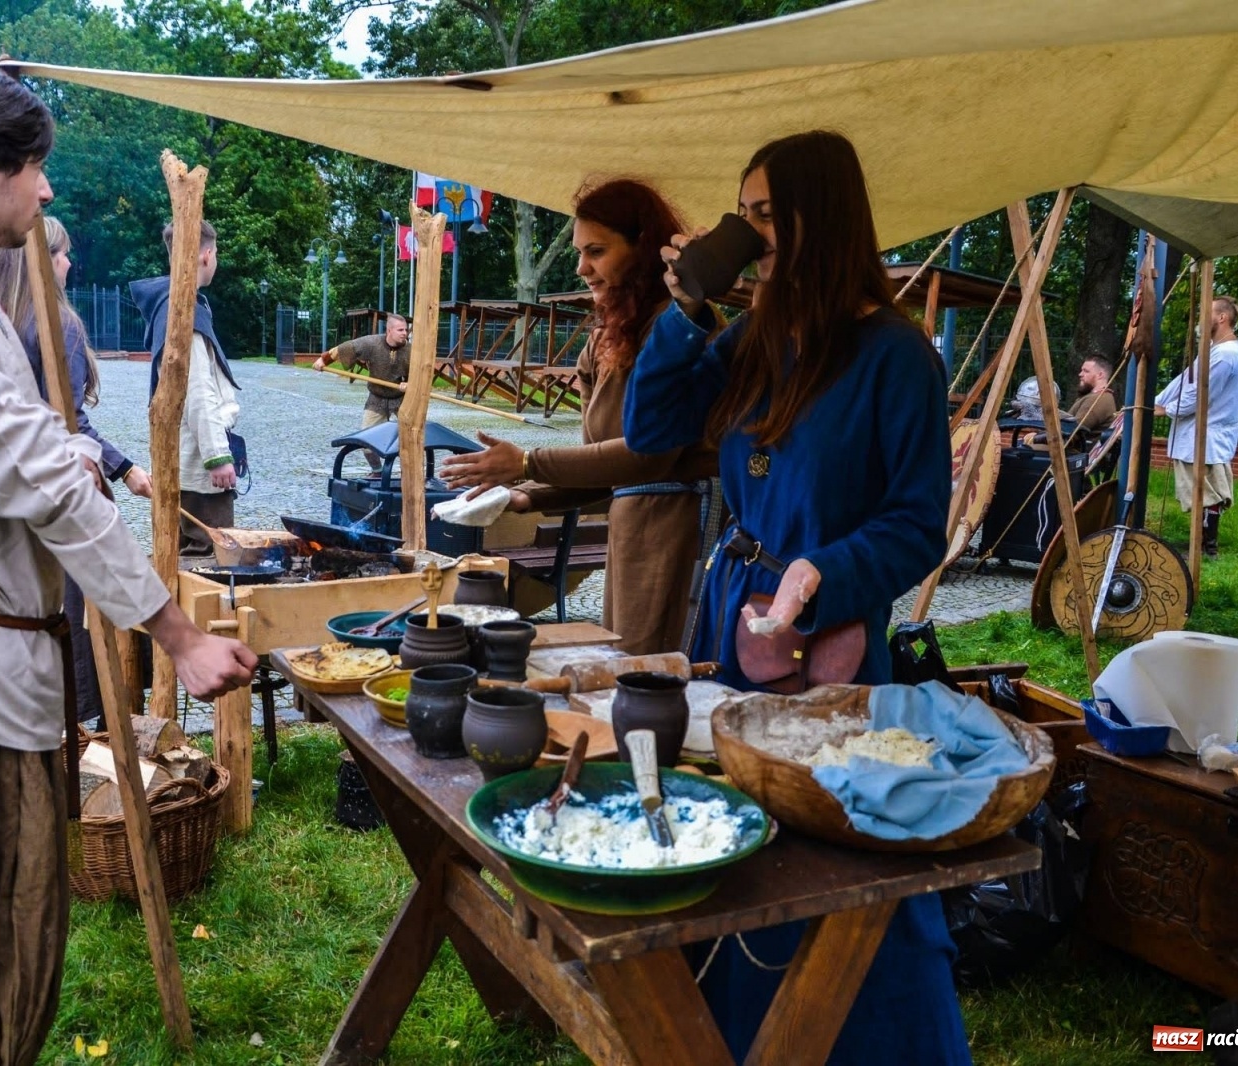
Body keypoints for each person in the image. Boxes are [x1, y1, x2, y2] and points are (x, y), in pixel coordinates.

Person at [0, 60, 257, 1065]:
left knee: (19, 935)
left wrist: (71, 452)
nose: (48, 189)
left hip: (3, 681)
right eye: (36, 169)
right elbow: (42, 484)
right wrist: (176, 633)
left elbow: (23, 446)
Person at [623, 130, 963, 1063]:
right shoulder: (756, 334)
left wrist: (826, 575)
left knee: (827, 846)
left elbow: (915, 524)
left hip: (833, 648)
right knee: (737, 824)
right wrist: (687, 309)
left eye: (768, 214)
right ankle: (725, 1033)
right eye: (746, 214)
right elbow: (651, 427)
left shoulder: (898, 356)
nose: (753, 231)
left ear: (826, 216)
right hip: (735, 622)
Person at [439, 179, 718, 655]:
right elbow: (605, 463)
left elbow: (649, 457)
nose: (581, 267)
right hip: (631, 526)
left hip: (682, 523)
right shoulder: (603, 339)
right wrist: (526, 495)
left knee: (660, 671)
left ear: (644, 249)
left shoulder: (684, 327)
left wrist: (528, 464)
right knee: (627, 662)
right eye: (579, 251)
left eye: (597, 251)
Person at [0, 214, 152, 729]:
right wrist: (123, 470)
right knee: (81, 621)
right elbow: (70, 422)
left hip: (5, 501)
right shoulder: (58, 325)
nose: (68, 263)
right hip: (61, 497)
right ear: (40, 259)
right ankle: (83, 730)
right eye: (61, 254)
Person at [130, 220, 242, 557]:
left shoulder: (174, 305)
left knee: (183, 558)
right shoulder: (183, 314)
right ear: (207, 255)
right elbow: (197, 393)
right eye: (217, 253)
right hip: (197, 470)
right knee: (208, 561)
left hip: (185, 464)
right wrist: (217, 457)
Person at [1155, 296, 1238, 558]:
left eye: (1207, 313)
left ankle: (1207, 547)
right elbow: (1186, 381)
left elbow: (1199, 394)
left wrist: (1168, 409)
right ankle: (1200, 542)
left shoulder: (1225, 355)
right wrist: (1156, 401)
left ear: (1222, 318)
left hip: (1208, 433)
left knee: (1207, 492)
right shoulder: (1213, 350)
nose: (1200, 319)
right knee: (1199, 490)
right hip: (1198, 432)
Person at [312, 314, 411, 472]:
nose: (405, 333)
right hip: (377, 397)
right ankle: (378, 471)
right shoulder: (372, 343)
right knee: (366, 440)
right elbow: (345, 348)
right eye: (400, 330)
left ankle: (413, 474)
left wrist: (411, 384)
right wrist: (323, 360)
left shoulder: (411, 351)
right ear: (389, 330)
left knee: (412, 439)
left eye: (406, 330)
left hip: (402, 399)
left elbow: (422, 374)